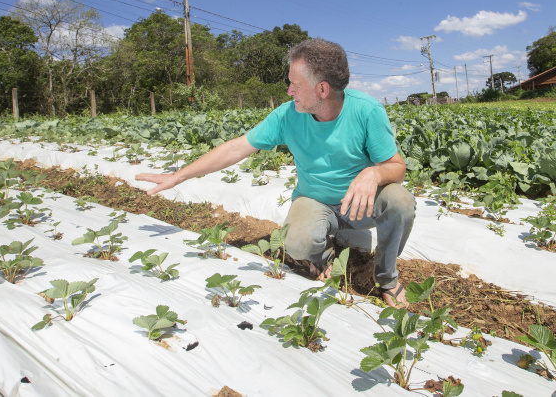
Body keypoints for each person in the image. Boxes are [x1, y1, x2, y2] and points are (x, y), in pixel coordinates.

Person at [136, 38, 416, 306]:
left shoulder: (366, 112)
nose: (289, 91)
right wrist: (179, 175)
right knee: (295, 244)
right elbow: (237, 148)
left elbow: (397, 167)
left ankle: (386, 277)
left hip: (359, 204)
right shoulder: (287, 115)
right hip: (315, 201)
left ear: (322, 89)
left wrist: (374, 174)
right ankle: (322, 255)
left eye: (295, 84)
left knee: (400, 202)